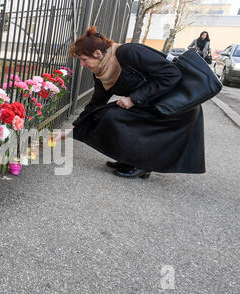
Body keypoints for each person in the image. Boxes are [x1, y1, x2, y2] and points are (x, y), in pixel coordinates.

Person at [55, 26, 205, 179]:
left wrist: (134, 98)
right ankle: (129, 159)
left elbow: (172, 74)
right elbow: (96, 103)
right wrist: (75, 126)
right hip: (150, 103)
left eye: (83, 59)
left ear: (98, 53)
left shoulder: (129, 52)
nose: (82, 65)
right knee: (104, 115)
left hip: (175, 106)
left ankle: (143, 164)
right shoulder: (101, 72)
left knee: (115, 117)